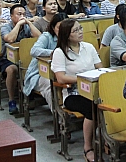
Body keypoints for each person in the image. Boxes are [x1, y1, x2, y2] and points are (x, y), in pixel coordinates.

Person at [51, 19, 102, 162]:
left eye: (80, 28)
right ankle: (88, 148)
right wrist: (82, 79)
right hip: (73, 93)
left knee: (108, 103)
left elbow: (100, 67)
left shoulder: (88, 47)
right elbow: (61, 78)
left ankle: (105, 140)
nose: (80, 32)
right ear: (67, 35)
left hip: (93, 90)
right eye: (76, 30)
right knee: (92, 108)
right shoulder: (60, 52)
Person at [0, 4, 41, 114]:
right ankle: (11, 100)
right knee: (12, 69)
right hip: (7, 58)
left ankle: (30, 94)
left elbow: (40, 38)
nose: (22, 17)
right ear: (11, 16)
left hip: (25, 57)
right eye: (19, 14)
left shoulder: (27, 27)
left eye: (24, 14)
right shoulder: (5, 27)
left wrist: (29, 23)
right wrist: (18, 25)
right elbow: (10, 39)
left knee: (34, 65)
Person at [23, 13, 66, 112]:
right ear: (53, 27)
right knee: (50, 85)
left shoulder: (71, 37)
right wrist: (54, 52)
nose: (62, 31)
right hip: (40, 74)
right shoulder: (47, 36)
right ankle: (58, 116)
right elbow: (34, 51)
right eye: (59, 28)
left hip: (63, 72)